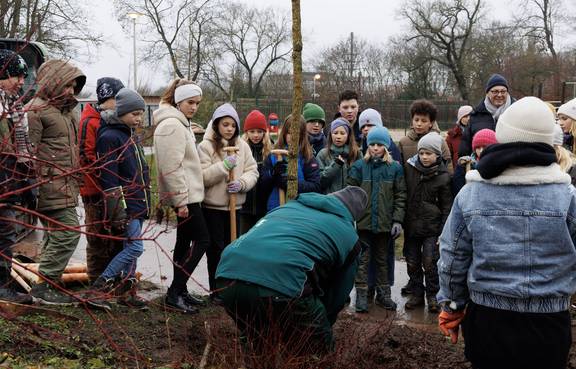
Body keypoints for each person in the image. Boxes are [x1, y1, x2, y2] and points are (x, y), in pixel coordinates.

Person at [438, 97, 576, 369]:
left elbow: (453, 255)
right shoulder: (567, 197)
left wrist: (452, 306)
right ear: (551, 141)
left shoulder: (472, 193)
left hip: (488, 320)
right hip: (548, 324)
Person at [215, 186, 368, 355]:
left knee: (258, 340)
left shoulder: (288, 207)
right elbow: (336, 296)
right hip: (281, 284)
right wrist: (321, 325)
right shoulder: (348, 234)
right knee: (319, 349)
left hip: (227, 276)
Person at [27, 59, 86, 305]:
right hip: (47, 185)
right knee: (69, 233)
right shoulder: (35, 111)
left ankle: (47, 284)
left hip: (67, 183)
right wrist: (33, 187)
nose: (70, 92)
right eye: (66, 86)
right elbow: (27, 154)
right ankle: (44, 285)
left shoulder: (70, 111)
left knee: (55, 235)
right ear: (53, 83)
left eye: (73, 87)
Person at [153, 79, 209, 314]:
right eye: (190, 102)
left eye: (197, 103)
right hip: (185, 197)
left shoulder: (181, 123)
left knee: (184, 242)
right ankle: (174, 293)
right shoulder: (171, 125)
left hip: (190, 194)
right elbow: (172, 166)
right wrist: (180, 201)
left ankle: (180, 289)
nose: (194, 107)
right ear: (178, 101)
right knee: (202, 240)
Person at [94, 88, 150, 310]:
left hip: (139, 201)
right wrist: (119, 210)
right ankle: (100, 286)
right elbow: (109, 178)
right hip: (126, 205)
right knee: (135, 248)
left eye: (140, 114)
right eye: (134, 114)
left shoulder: (130, 134)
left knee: (131, 248)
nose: (138, 118)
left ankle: (127, 291)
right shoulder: (109, 137)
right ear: (122, 112)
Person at [197, 103, 258, 291]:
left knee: (233, 248)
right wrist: (224, 167)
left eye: (233, 125)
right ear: (216, 125)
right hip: (213, 208)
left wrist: (242, 184)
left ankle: (231, 288)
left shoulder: (243, 146)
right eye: (225, 124)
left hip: (235, 208)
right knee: (216, 250)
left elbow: (252, 171)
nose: (229, 129)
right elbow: (203, 176)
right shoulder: (206, 147)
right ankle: (216, 290)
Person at [348, 126, 406, 312]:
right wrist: (352, 218)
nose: (375, 148)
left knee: (382, 260)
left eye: (379, 144)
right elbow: (351, 193)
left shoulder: (395, 168)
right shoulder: (359, 167)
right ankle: (362, 296)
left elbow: (400, 195)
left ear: (386, 147)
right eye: (372, 144)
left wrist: (397, 220)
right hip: (363, 224)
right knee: (363, 261)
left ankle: (384, 295)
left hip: (384, 224)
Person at [79, 77, 125, 283]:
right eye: (118, 98)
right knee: (96, 236)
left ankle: (111, 278)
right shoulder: (90, 121)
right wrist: (101, 180)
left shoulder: (111, 120)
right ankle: (95, 281)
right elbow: (86, 157)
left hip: (112, 189)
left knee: (114, 234)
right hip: (94, 189)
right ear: (108, 98)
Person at [402, 132, 452, 312]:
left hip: (432, 227)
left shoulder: (444, 176)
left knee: (430, 261)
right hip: (412, 225)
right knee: (412, 261)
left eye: (428, 153)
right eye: (421, 153)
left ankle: (433, 295)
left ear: (437, 155)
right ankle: (416, 293)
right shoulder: (410, 168)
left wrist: (444, 230)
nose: (424, 157)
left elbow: (447, 206)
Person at [0, 49, 34, 304]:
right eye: (17, 76)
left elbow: (19, 149)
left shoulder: (14, 106)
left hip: (9, 181)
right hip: (2, 182)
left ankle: (5, 282)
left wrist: (25, 181)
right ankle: (2, 286)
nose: (22, 82)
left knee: (7, 230)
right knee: (5, 230)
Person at [261, 114, 321, 211]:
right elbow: (263, 185)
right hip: (276, 210)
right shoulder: (273, 156)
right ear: (284, 133)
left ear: (302, 135)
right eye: (289, 133)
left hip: (299, 210)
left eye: (296, 133)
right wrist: (272, 174)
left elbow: (315, 187)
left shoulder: (308, 158)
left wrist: (290, 184)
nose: (292, 137)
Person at [458, 74, 514, 157]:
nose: (499, 95)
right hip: (482, 167)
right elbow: (465, 148)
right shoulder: (475, 115)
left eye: (503, 91)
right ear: (487, 93)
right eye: (495, 91)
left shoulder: (517, 113)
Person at [239, 109, 273, 234]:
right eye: (252, 131)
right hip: (244, 207)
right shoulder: (240, 150)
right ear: (246, 132)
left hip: (263, 207)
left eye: (259, 131)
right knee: (243, 239)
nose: (256, 135)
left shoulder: (270, 152)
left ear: (265, 132)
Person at [398, 99, 453, 176]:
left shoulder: (440, 141)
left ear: (431, 123)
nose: (419, 124)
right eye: (416, 120)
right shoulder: (403, 142)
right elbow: (399, 169)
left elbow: (448, 165)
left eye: (424, 121)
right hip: (411, 186)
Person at [316, 118, 361, 194]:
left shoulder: (356, 153)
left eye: (342, 133)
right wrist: (336, 165)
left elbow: (360, 179)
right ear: (330, 134)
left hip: (350, 200)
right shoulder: (323, 154)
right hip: (329, 200)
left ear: (348, 135)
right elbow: (320, 182)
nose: (338, 136)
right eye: (335, 133)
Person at [452, 129, 498, 194]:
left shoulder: (500, 165)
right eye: (478, 147)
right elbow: (458, 190)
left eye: (485, 147)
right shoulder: (465, 164)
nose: (481, 151)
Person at [446, 105, 473, 170]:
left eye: (471, 116)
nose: (469, 118)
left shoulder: (478, 134)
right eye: (465, 116)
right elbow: (448, 157)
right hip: (458, 170)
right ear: (460, 118)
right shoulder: (452, 135)